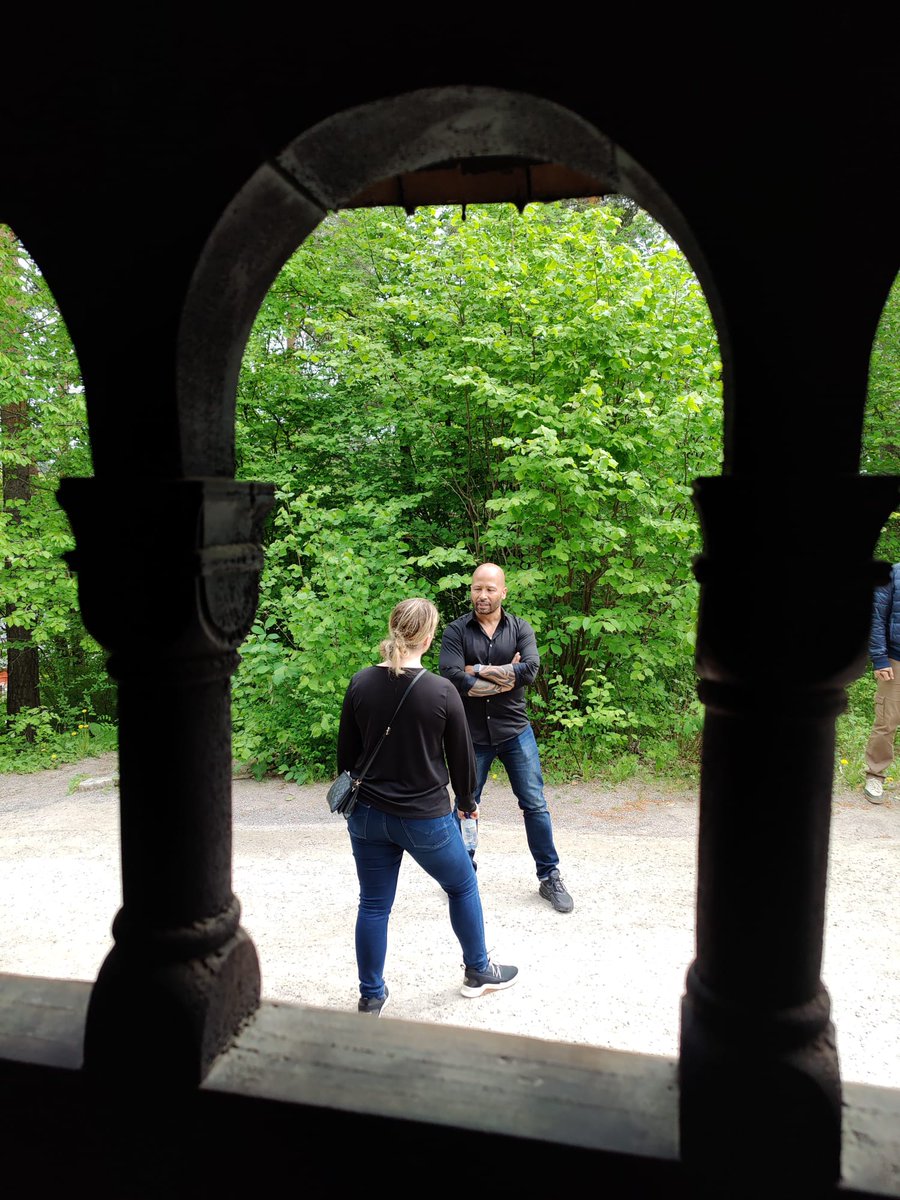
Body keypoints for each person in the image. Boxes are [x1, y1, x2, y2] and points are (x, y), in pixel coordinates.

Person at [337, 597, 518, 1015]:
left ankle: (371, 995)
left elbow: (346, 757)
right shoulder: (441, 691)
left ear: (393, 627)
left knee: (373, 904)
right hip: (424, 818)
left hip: (368, 815)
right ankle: (478, 971)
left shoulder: (361, 683)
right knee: (462, 885)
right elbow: (462, 760)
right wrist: (467, 803)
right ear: (429, 636)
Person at [439, 563, 575, 914]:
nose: (482, 595)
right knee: (466, 804)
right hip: (471, 735)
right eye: (477, 588)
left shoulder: (520, 628)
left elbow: (529, 671)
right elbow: (451, 676)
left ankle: (549, 876)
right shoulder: (456, 631)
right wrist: (505, 674)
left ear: (503, 592)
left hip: (515, 731)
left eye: (489, 589)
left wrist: (476, 670)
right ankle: (461, 875)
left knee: (535, 804)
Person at [863, 562, 900, 804]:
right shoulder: (893, 574)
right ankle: (875, 775)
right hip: (896, 661)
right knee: (886, 721)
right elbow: (875, 616)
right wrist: (879, 658)